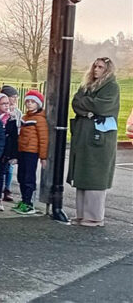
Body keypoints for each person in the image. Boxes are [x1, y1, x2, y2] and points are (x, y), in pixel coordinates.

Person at [68, 58, 120, 226]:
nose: (96, 69)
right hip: (83, 136)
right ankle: (82, 214)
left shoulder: (111, 87)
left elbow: (101, 107)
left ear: (107, 70)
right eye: (95, 66)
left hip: (100, 137)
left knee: (95, 177)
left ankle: (94, 217)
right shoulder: (86, 85)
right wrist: (88, 109)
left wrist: (88, 108)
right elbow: (76, 102)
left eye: (100, 67)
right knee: (82, 175)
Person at [13, 90, 48, 215]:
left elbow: (43, 139)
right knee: (21, 177)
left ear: (38, 104)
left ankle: (29, 203)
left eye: (32, 102)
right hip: (23, 151)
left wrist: (43, 157)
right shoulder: (25, 117)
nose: (29, 104)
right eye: (27, 101)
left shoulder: (40, 119)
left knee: (29, 177)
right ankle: (24, 200)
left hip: (32, 152)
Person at [0, 85, 22, 202]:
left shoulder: (17, 112)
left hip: (12, 141)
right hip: (3, 140)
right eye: (13, 97)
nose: (15, 99)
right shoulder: (2, 110)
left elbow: (19, 125)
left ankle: (7, 189)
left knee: (10, 167)